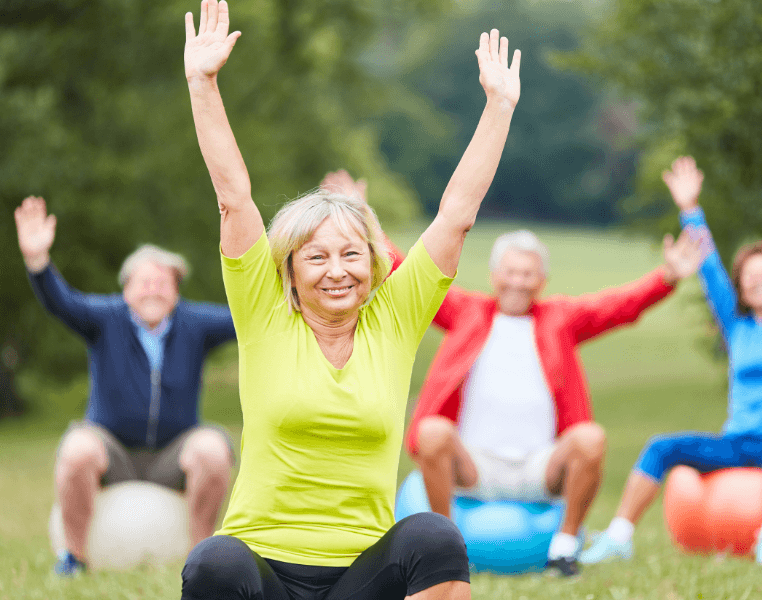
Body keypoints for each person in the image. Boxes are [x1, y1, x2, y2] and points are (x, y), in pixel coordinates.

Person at [180, 0, 521, 598]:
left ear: (376, 261)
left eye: (350, 254)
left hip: (363, 581)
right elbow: (234, 198)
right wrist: (203, 83)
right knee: (214, 562)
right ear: (288, 270)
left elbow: (456, 216)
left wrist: (498, 107)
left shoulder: (393, 318)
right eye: (315, 257)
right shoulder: (263, 313)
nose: (336, 271)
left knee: (435, 538)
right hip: (266, 573)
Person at [319, 169, 702, 578]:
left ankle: (564, 547)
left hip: (539, 467)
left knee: (591, 438)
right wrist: (361, 214)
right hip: (473, 465)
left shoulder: (561, 319)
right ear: (494, 276)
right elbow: (404, 269)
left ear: (542, 280)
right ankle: (447, 545)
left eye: (528, 273)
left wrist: (668, 278)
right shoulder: (466, 312)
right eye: (511, 272)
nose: (518, 281)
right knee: (431, 431)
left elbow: (617, 306)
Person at [581, 145, 762, 567]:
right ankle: (619, 535)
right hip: (737, 441)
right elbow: (710, 271)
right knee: (661, 447)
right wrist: (689, 209)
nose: (758, 280)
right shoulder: (737, 327)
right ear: (742, 290)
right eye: (749, 277)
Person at [14, 196, 237, 577]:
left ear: (176, 290)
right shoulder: (105, 318)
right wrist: (38, 262)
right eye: (144, 282)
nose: (153, 289)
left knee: (214, 451)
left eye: (163, 282)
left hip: (173, 451)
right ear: (126, 288)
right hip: (111, 449)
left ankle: (200, 563)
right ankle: (74, 559)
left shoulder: (195, 323)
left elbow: (247, 317)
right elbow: (60, 302)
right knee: (77, 450)